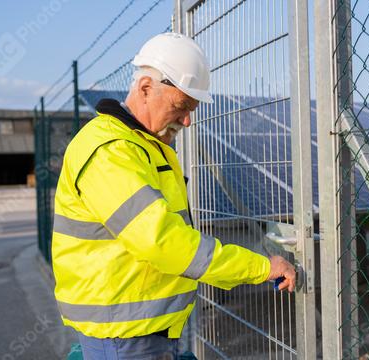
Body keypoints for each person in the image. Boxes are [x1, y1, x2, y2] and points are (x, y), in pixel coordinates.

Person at [51, 32, 296, 359]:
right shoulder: (112, 152)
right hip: (126, 340)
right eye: (181, 106)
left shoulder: (143, 144)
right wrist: (260, 267)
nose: (187, 120)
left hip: (141, 333)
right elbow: (163, 242)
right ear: (145, 88)